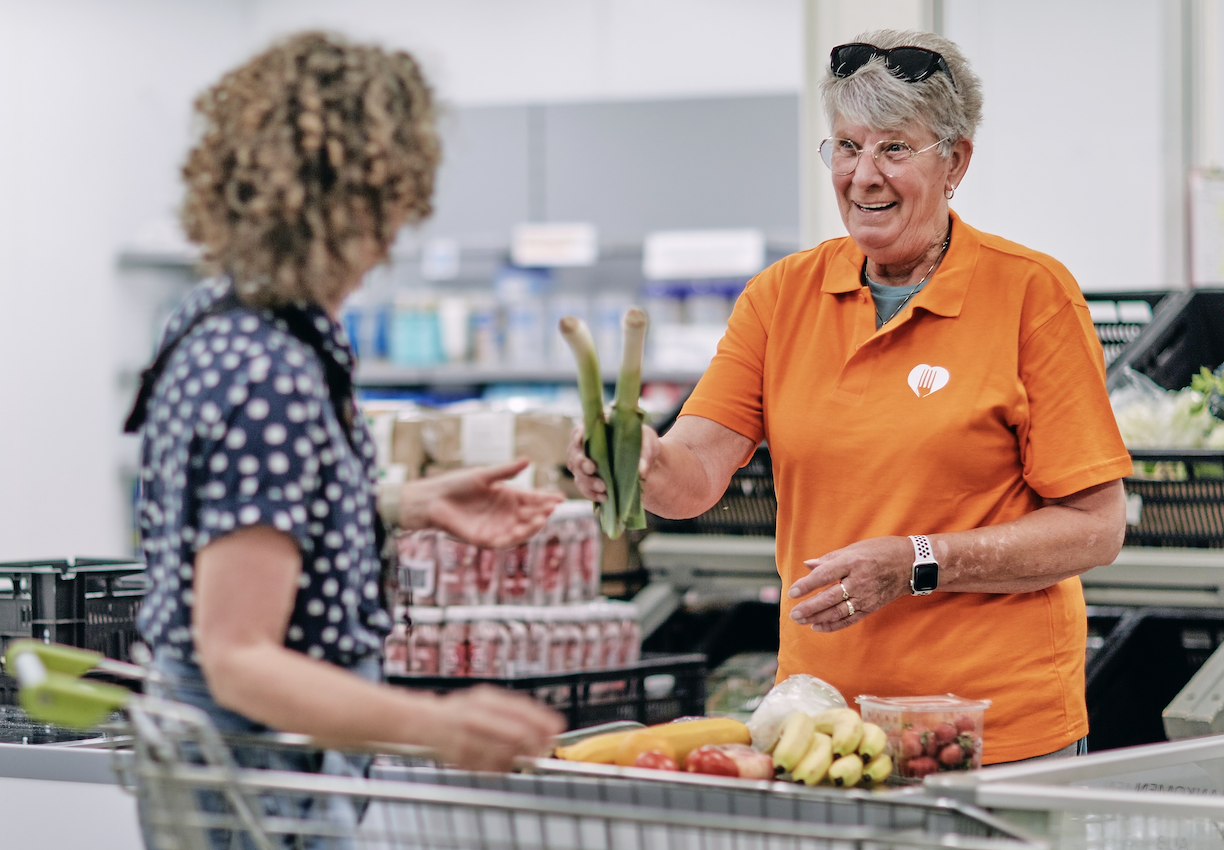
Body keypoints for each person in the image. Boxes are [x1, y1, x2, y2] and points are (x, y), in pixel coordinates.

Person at [569, 30, 1131, 764]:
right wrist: (635, 461)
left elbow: (1096, 528)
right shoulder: (782, 296)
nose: (863, 175)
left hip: (995, 737)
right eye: (845, 146)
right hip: (827, 731)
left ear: (955, 161)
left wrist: (917, 561)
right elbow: (691, 479)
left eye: (895, 149)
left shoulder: (1031, 294)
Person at [131, 31, 565, 776]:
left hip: (230, 772)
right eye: (397, 200)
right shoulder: (266, 370)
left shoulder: (218, 317)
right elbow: (238, 656)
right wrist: (436, 724)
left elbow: (241, 524)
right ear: (358, 200)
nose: (398, 232)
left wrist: (407, 502)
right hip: (264, 780)